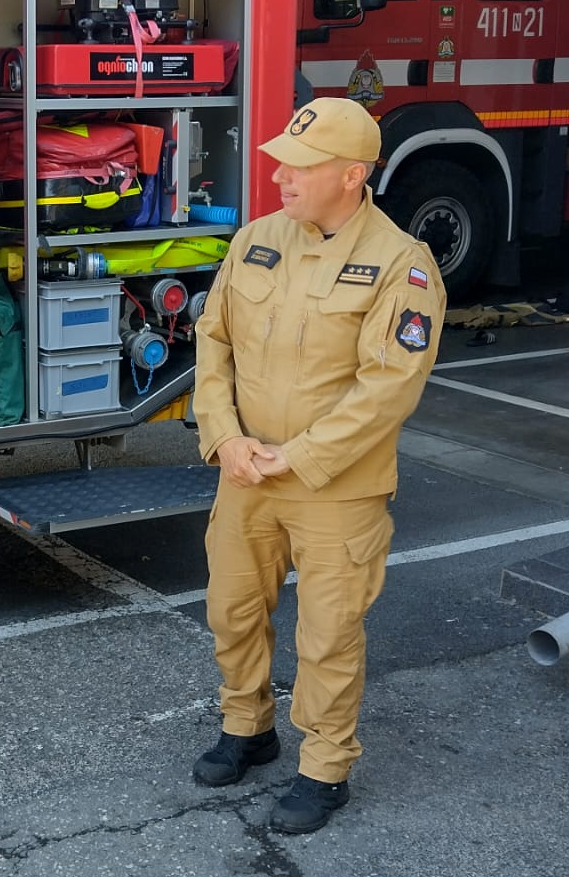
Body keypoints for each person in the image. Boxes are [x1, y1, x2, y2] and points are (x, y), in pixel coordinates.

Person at [189, 98, 446, 834]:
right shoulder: (257, 239)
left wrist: (296, 457)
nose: (279, 176)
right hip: (244, 473)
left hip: (335, 487)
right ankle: (248, 728)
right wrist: (224, 436)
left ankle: (324, 766)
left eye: (301, 166)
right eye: (281, 161)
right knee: (232, 612)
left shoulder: (403, 264)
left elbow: (388, 387)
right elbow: (215, 343)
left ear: (353, 175)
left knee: (328, 634)